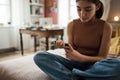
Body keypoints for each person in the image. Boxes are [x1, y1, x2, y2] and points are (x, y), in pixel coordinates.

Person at [34, 0, 112, 80]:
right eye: (78, 9)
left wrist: (80, 57)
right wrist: (65, 46)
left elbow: (102, 57)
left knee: (117, 65)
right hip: (73, 63)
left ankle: (76, 75)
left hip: (94, 65)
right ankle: (78, 77)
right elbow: (71, 52)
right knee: (39, 56)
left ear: (97, 7)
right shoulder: (71, 25)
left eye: (88, 9)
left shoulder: (106, 27)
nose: (82, 14)